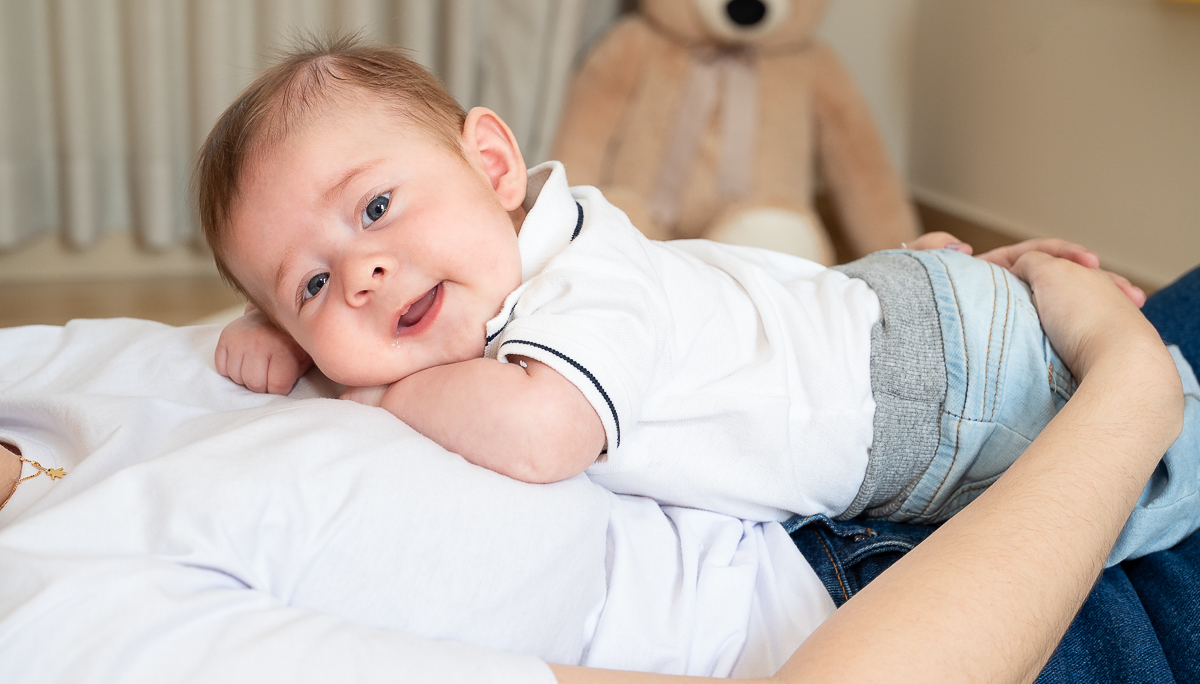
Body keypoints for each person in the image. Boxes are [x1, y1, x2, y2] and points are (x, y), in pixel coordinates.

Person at [0, 236, 1191, 683]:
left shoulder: (33, 372)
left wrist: (865, 328)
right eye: (313, 278)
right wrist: (1123, 396)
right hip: (950, 601)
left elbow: (571, 305)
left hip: (845, 454)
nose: (352, 275)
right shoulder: (57, 625)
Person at [201, 38, 1199, 565]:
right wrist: (291, 340)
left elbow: (543, 433)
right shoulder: (533, 248)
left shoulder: (578, 290)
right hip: (889, 314)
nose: (365, 272)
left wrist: (374, 393)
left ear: (494, 163)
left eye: (375, 205)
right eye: (315, 282)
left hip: (940, 393)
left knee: (1156, 472)